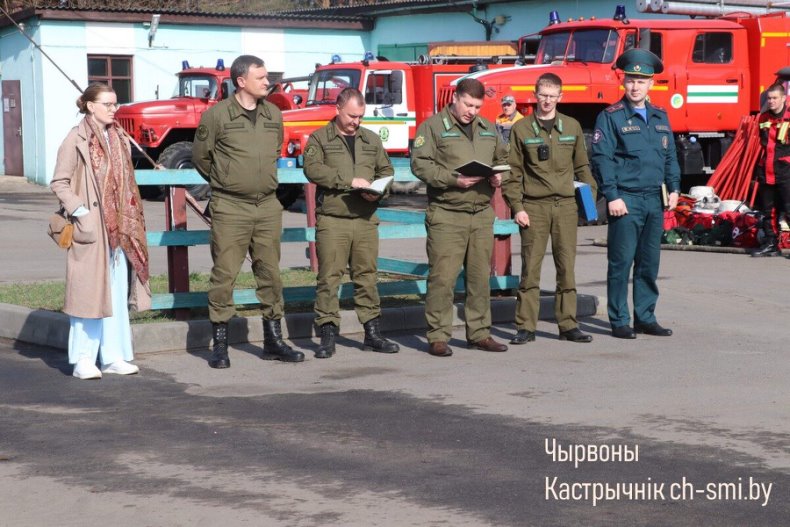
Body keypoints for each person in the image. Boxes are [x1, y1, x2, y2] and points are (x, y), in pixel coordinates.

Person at [192, 55, 304, 368]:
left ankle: (273, 341)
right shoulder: (217, 116)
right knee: (224, 275)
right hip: (230, 206)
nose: (268, 82)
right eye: (261, 77)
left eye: (267, 76)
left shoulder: (273, 114)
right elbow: (202, 158)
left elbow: (275, 150)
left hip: (267, 205)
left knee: (270, 274)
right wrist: (227, 181)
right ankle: (220, 345)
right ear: (241, 81)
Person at [50, 83, 151, 379]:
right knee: (88, 294)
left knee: (116, 293)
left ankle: (113, 355)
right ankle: (83, 359)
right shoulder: (76, 137)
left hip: (118, 228)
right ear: (90, 106)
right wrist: (81, 212)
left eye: (115, 104)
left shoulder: (118, 136)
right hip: (92, 229)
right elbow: (59, 182)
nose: (113, 109)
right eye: (107, 104)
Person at [411, 78, 509, 357]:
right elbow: (420, 164)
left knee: (479, 278)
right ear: (455, 98)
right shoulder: (432, 127)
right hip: (447, 213)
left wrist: (501, 174)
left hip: (480, 214)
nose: (472, 111)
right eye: (468, 104)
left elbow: (505, 158)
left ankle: (479, 333)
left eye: (477, 106)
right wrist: (453, 179)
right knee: (443, 278)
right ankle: (438, 336)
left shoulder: (488, 128)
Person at [303, 88, 400, 358]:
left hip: (365, 218)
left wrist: (380, 189)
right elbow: (312, 169)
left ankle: (372, 333)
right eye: (351, 116)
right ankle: (327, 334)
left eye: (360, 116)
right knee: (329, 278)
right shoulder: (320, 138)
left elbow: (386, 170)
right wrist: (348, 181)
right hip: (334, 220)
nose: (356, 121)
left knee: (367, 277)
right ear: (338, 108)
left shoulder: (370, 139)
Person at [590, 49, 680, 339]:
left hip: (654, 199)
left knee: (649, 263)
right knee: (621, 263)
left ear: (651, 84)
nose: (635, 86)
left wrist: (675, 187)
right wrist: (612, 196)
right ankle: (619, 320)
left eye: (641, 81)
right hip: (626, 200)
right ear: (623, 82)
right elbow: (602, 159)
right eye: (630, 80)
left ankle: (645, 316)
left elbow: (670, 156)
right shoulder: (611, 117)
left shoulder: (660, 116)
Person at [503, 73, 598, 345]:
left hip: (566, 206)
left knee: (566, 267)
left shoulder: (572, 126)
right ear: (535, 95)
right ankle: (526, 327)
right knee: (530, 269)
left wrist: (589, 199)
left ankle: (568, 324)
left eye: (552, 96)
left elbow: (582, 167)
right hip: (534, 207)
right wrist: (517, 207)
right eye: (542, 95)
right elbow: (513, 173)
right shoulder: (521, 130)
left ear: (560, 97)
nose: (547, 101)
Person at [750, 83, 790, 257]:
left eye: (775, 98)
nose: (771, 101)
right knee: (768, 210)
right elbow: (762, 143)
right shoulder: (763, 118)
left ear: (783, 98)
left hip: (786, 170)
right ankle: (771, 243)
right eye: (769, 98)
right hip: (767, 170)